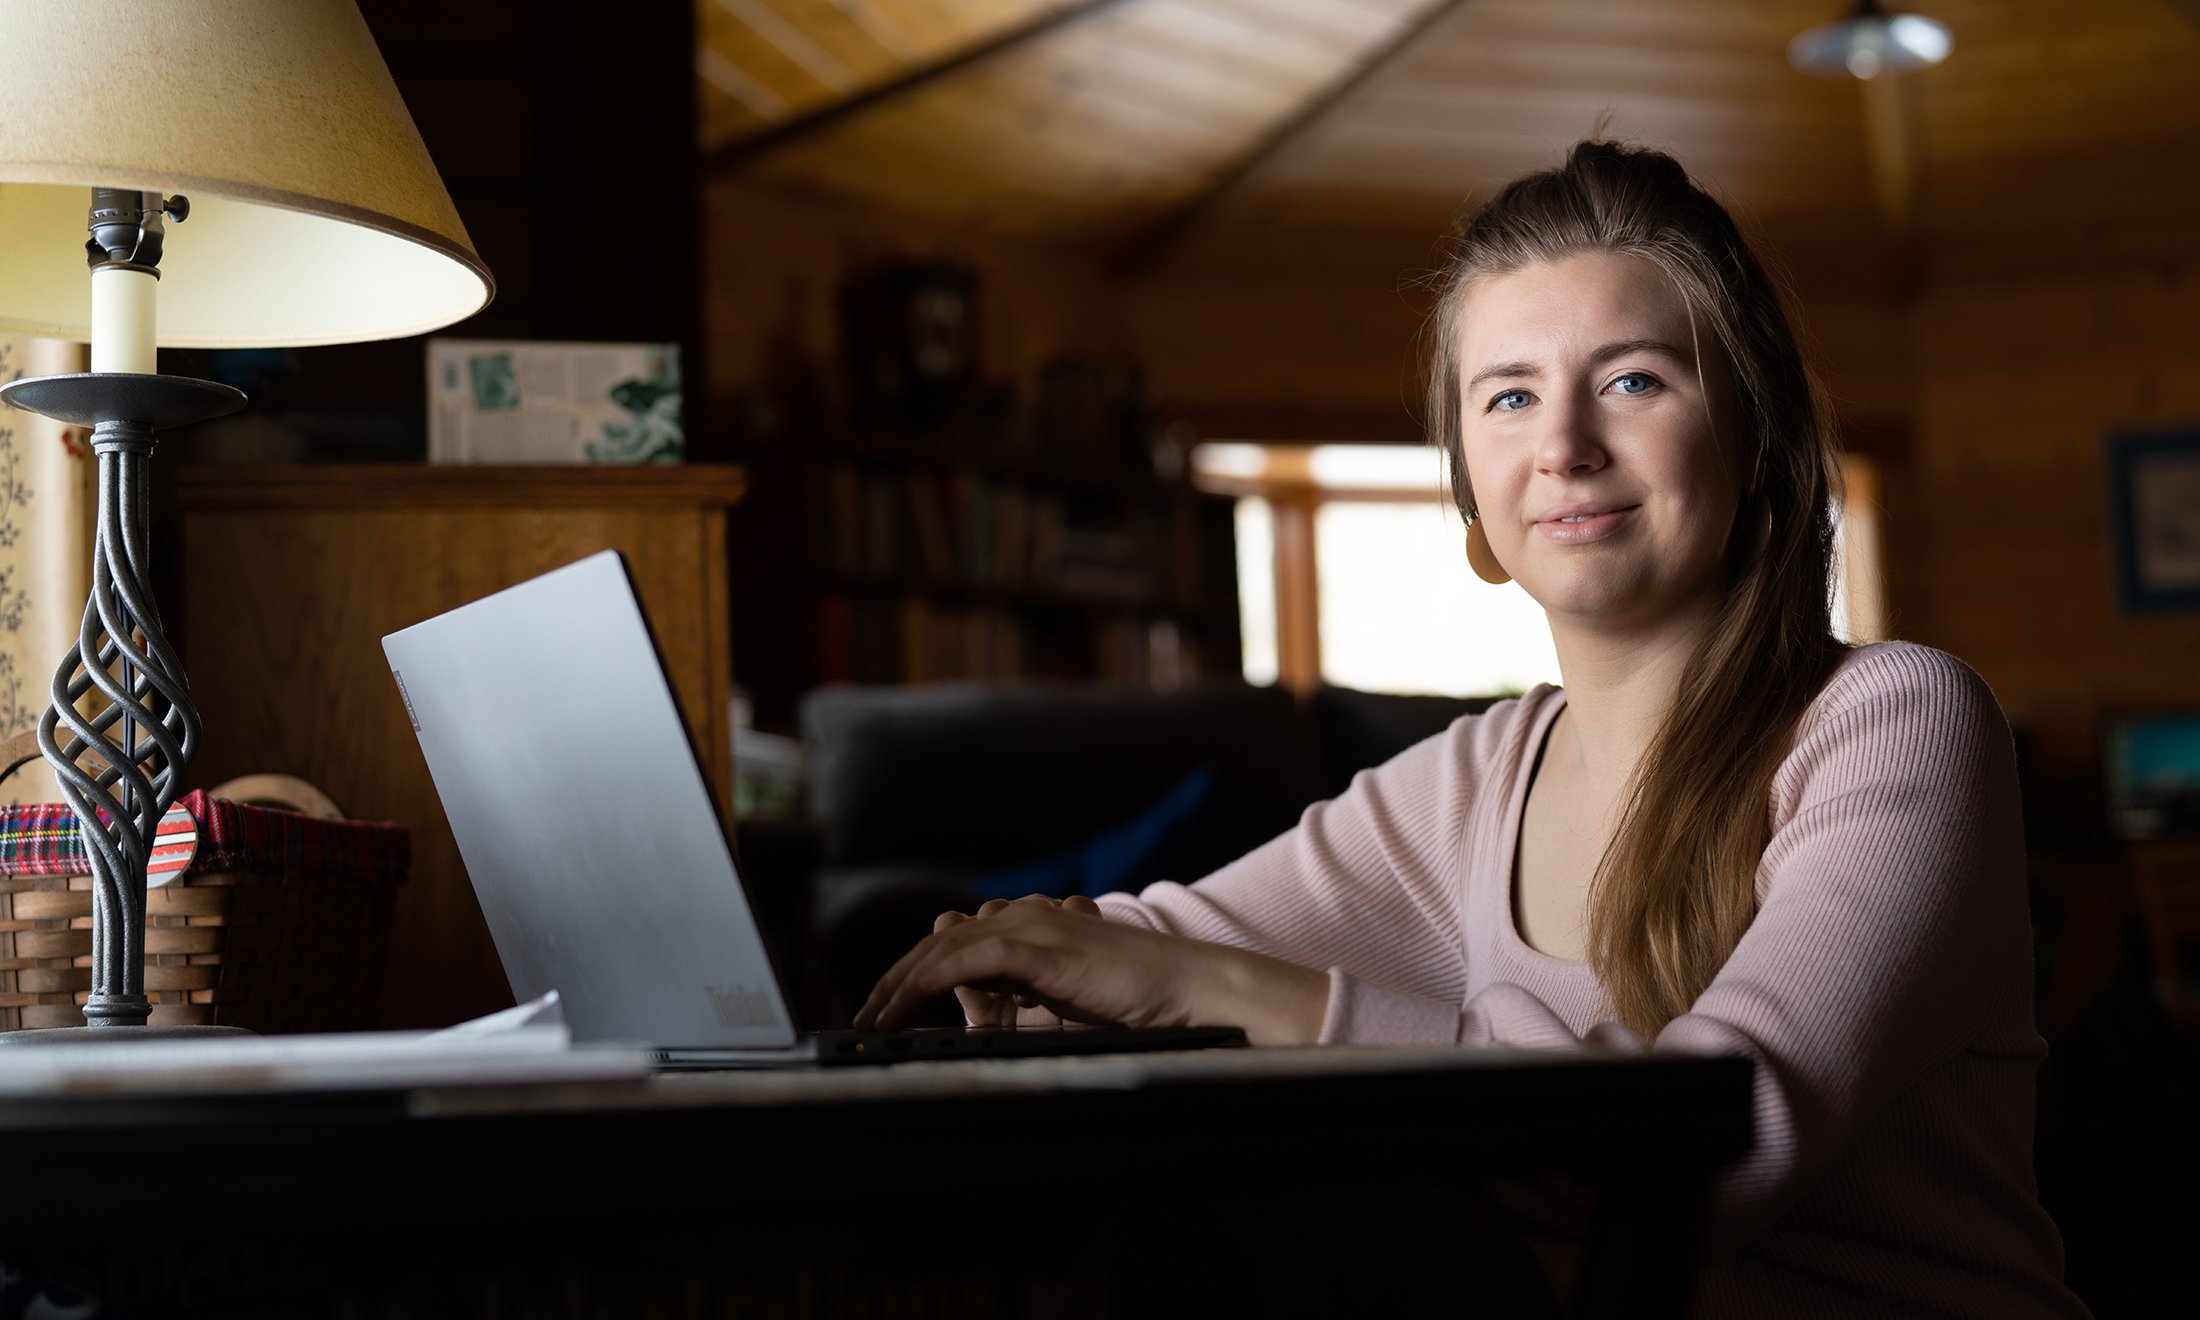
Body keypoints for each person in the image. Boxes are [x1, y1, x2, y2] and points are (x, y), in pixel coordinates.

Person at [856, 140, 2087, 1317]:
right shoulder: (1470, 785)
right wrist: (994, 971)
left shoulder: (1896, 721)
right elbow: (1125, 957)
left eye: (1633, 380)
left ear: (1756, 441)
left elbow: (1721, 1142)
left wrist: (1225, 992)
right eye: (1508, 396)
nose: (1562, 446)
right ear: (1472, 498)